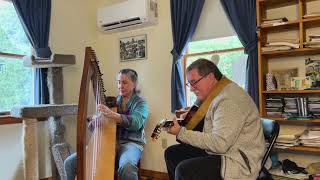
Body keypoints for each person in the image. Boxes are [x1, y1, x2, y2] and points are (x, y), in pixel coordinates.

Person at [164, 59, 265, 180]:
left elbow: (219, 144)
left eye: (194, 82)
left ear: (210, 77)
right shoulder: (215, 92)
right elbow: (201, 117)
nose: (191, 88)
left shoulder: (228, 100)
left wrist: (180, 132)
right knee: (172, 153)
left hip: (237, 160)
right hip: (223, 151)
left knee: (184, 170)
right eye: (189, 84)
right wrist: (188, 117)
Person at [64, 68, 149, 180]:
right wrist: (95, 122)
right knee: (69, 163)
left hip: (131, 143)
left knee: (127, 167)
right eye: (118, 82)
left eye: (124, 82)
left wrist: (113, 115)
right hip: (108, 143)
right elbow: (94, 129)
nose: (120, 86)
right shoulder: (112, 102)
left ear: (134, 84)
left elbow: (136, 123)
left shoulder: (141, 103)